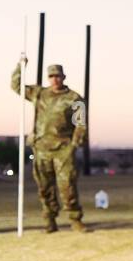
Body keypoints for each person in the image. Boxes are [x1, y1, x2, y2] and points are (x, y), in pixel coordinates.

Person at [10, 61, 87, 232]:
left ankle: (75, 219)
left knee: (67, 185)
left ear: (63, 77)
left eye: (57, 76)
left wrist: (74, 145)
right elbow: (16, 86)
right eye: (51, 76)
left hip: (63, 148)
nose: (54, 80)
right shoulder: (39, 93)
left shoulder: (75, 98)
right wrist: (20, 67)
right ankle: (49, 219)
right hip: (41, 148)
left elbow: (81, 124)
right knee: (44, 186)